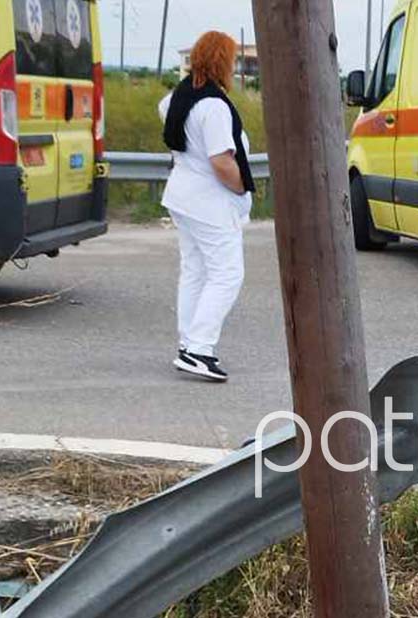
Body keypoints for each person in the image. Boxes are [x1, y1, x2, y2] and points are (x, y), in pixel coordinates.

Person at [158, 31, 255, 382]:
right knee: (227, 274)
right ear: (223, 61)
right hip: (210, 203)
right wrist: (243, 187)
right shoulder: (214, 106)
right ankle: (199, 349)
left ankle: (189, 343)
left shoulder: (175, 98)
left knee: (196, 271)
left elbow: (182, 139)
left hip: (182, 195)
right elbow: (221, 161)